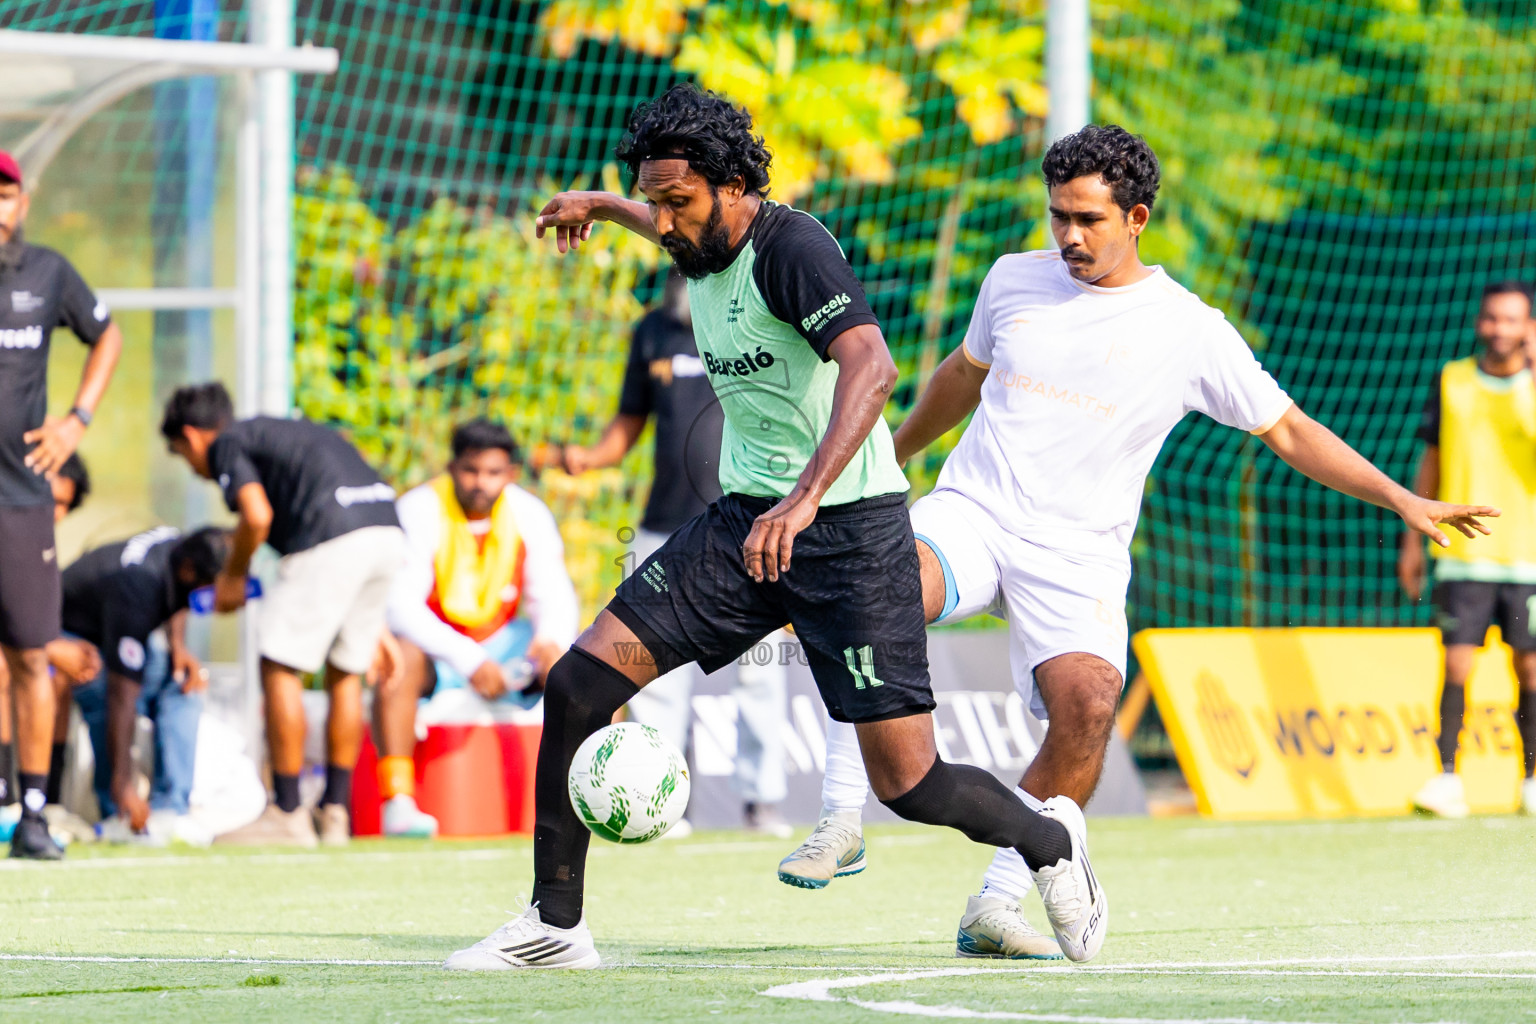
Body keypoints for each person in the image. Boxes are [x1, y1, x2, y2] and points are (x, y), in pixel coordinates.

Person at [777, 124, 1501, 959]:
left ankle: (1001, 900)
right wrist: (889, 461)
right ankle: (841, 816)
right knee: (882, 586)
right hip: (974, 510)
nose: (1070, 236)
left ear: (1138, 217)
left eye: (1088, 219)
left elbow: (1291, 432)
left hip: (1079, 552)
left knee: (1087, 709)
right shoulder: (1014, 279)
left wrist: (1400, 497)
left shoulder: (1190, 329)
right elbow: (958, 379)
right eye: (1059, 217)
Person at [444, 83, 1103, 972]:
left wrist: (801, 500)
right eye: (655, 201)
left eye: (678, 202)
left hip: (851, 538)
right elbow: (661, 216)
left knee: (910, 784)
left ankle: (1051, 845)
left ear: (730, 187)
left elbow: (873, 366)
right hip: (742, 531)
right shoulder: (694, 238)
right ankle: (555, 925)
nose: (665, 222)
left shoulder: (793, 248)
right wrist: (603, 207)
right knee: (577, 687)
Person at [564, 268, 791, 837]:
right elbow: (628, 422)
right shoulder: (651, 332)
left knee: (760, 672)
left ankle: (761, 801)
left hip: (747, 525)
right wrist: (590, 457)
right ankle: (662, 808)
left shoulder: (753, 324)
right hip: (662, 527)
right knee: (653, 673)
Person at [161, 382, 405, 848]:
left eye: (182, 455)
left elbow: (255, 516)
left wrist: (233, 576)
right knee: (346, 671)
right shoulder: (290, 431)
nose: (193, 469)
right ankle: (335, 813)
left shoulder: (229, 443)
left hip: (333, 537)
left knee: (279, 663)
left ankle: (288, 812)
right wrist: (380, 626)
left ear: (192, 438)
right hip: (386, 531)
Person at [0, 149, 123, 859]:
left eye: (6, 192)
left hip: (20, 499)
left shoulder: (47, 272)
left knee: (27, 655)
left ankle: (34, 815)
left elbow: (107, 334)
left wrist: (77, 418)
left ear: (23, 202)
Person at [378, 419, 579, 837]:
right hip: (439, 652)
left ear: (510, 474)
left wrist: (549, 642)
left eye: (493, 473)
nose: (480, 484)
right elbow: (399, 606)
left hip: (507, 645)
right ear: (452, 468)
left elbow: (554, 595)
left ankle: (590, 798)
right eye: (471, 471)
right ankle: (397, 802)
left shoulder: (528, 511)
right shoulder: (418, 508)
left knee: (591, 662)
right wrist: (469, 660)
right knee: (399, 659)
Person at [1400, 280, 1536, 818]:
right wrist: (1412, 537)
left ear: (1527, 328)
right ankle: (1447, 777)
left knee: (1532, 671)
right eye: (1491, 319)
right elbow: (1431, 459)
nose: (1499, 329)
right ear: (1480, 322)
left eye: (1511, 320)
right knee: (1456, 664)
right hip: (1461, 553)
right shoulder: (1452, 379)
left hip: (1529, 554)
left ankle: (1531, 779)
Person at [53, 526, 228, 845]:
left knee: (183, 686)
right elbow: (122, 693)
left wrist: (179, 648)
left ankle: (170, 811)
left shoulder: (184, 548)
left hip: (116, 625)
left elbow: (179, 595)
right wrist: (125, 781)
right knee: (103, 690)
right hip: (68, 632)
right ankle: (118, 811)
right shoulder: (137, 589)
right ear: (190, 570)